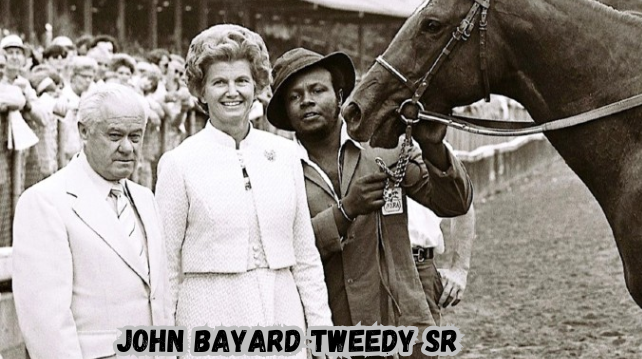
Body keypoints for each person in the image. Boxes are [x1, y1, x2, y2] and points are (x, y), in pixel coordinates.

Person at [265, 47, 473, 335]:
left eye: (317, 90)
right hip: (326, 329)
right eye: (294, 96)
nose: (307, 101)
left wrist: (434, 148)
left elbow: (454, 203)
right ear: (285, 112)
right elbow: (281, 248)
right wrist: (345, 211)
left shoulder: (384, 146)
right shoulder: (275, 168)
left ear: (339, 97)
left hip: (399, 324)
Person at [155, 25, 331, 353]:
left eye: (242, 81)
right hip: (209, 318)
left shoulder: (285, 154)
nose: (232, 92)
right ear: (201, 91)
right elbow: (166, 267)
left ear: (257, 87)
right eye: (219, 82)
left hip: (282, 315)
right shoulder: (179, 163)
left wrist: (321, 332)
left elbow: (306, 256)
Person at [12, 83, 172, 359]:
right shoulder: (45, 201)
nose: (127, 147)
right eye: (115, 135)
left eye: (136, 136)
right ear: (84, 131)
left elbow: (160, 299)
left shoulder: (145, 199)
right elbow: (46, 325)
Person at [407, 198, 476, 324]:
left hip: (419, 266)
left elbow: (462, 199)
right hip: (370, 265)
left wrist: (460, 269)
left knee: (422, 340)